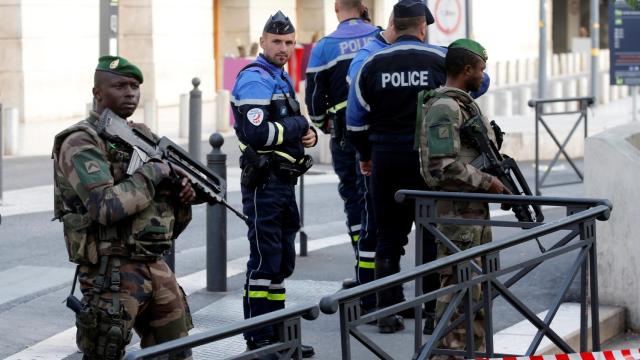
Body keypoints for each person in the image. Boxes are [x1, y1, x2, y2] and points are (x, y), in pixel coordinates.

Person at [52, 56, 196, 360]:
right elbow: (104, 207)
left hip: (155, 265)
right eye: (120, 86)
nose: (130, 92)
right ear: (97, 93)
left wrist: (179, 195)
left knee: (176, 353)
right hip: (110, 274)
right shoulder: (80, 141)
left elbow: (169, 225)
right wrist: (155, 173)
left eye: (135, 86)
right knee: (105, 353)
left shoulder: (141, 137)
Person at [346, 0, 444, 334]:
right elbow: (479, 82)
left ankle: (387, 312)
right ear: (421, 27)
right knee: (431, 235)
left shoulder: (370, 63)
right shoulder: (440, 59)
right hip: (428, 159)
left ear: (393, 26)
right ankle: (432, 312)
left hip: (385, 157)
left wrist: (365, 154)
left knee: (388, 235)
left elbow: (355, 121)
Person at [230, 10, 317, 358]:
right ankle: (259, 338)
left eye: (289, 43)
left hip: (283, 181)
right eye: (277, 42)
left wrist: (305, 135)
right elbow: (257, 133)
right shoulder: (255, 79)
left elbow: (286, 126)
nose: (283, 48)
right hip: (265, 182)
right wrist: (298, 126)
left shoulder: (279, 78)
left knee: (280, 262)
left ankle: (279, 333)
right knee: (264, 262)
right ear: (263, 41)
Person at [419, 39, 510, 356]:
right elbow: (440, 166)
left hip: (472, 211)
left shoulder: (462, 104)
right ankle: (451, 353)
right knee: (459, 287)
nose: (483, 75)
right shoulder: (445, 106)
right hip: (457, 210)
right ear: (467, 69)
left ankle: (471, 350)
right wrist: (487, 181)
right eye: (481, 69)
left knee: (474, 288)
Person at [304, 0, 379, 297]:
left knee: (354, 203)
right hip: (378, 131)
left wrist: (324, 123)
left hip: (345, 132)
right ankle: (382, 278)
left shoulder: (324, 47)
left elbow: (313, 98)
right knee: (376, 201)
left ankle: (365, 275)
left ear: (336, 8)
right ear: (362, 7)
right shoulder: (380, 36)